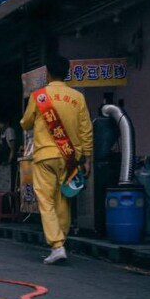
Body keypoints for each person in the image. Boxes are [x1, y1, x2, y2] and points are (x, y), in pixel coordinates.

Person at [21, 54, 94, 264]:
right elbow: (86, 129)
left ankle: (57, 245)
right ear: (68, 73)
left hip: (45, 155)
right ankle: (61, 242)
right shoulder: (77, 97)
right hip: (70, 156)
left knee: (46, 200)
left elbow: (26, 123)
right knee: (63, 200)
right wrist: (87, 157)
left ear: (48, 73)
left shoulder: (39, 96)